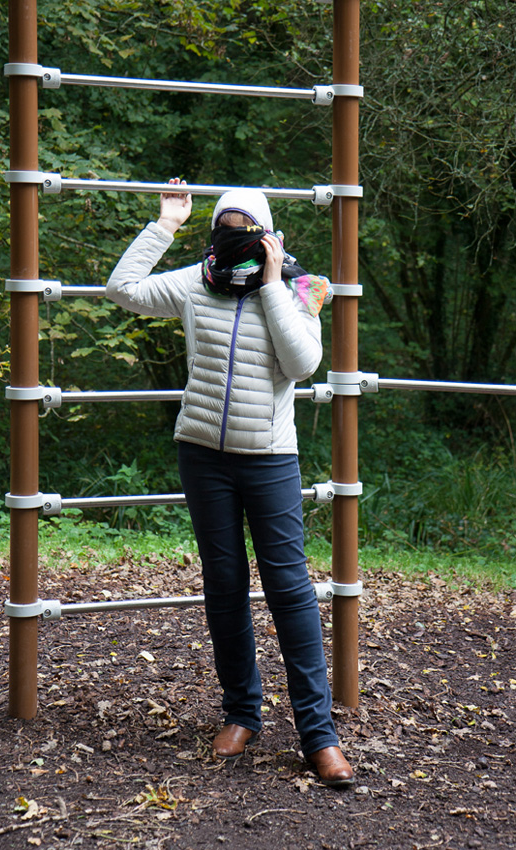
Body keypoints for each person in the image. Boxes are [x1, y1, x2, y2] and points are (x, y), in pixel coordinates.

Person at [106, 178, 354, 788]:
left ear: (269, 235)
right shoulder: (198, 279)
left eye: (249, 228)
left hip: (270, 458)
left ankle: (318, 736)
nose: (237, 238)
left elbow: (301, 365)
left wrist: (269, 284)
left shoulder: (300, 287)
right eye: (227, 227)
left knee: (290, 590)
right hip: (203, 456)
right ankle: (242, 713)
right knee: (223, 584)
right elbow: (123, 289)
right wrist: (164, 226)